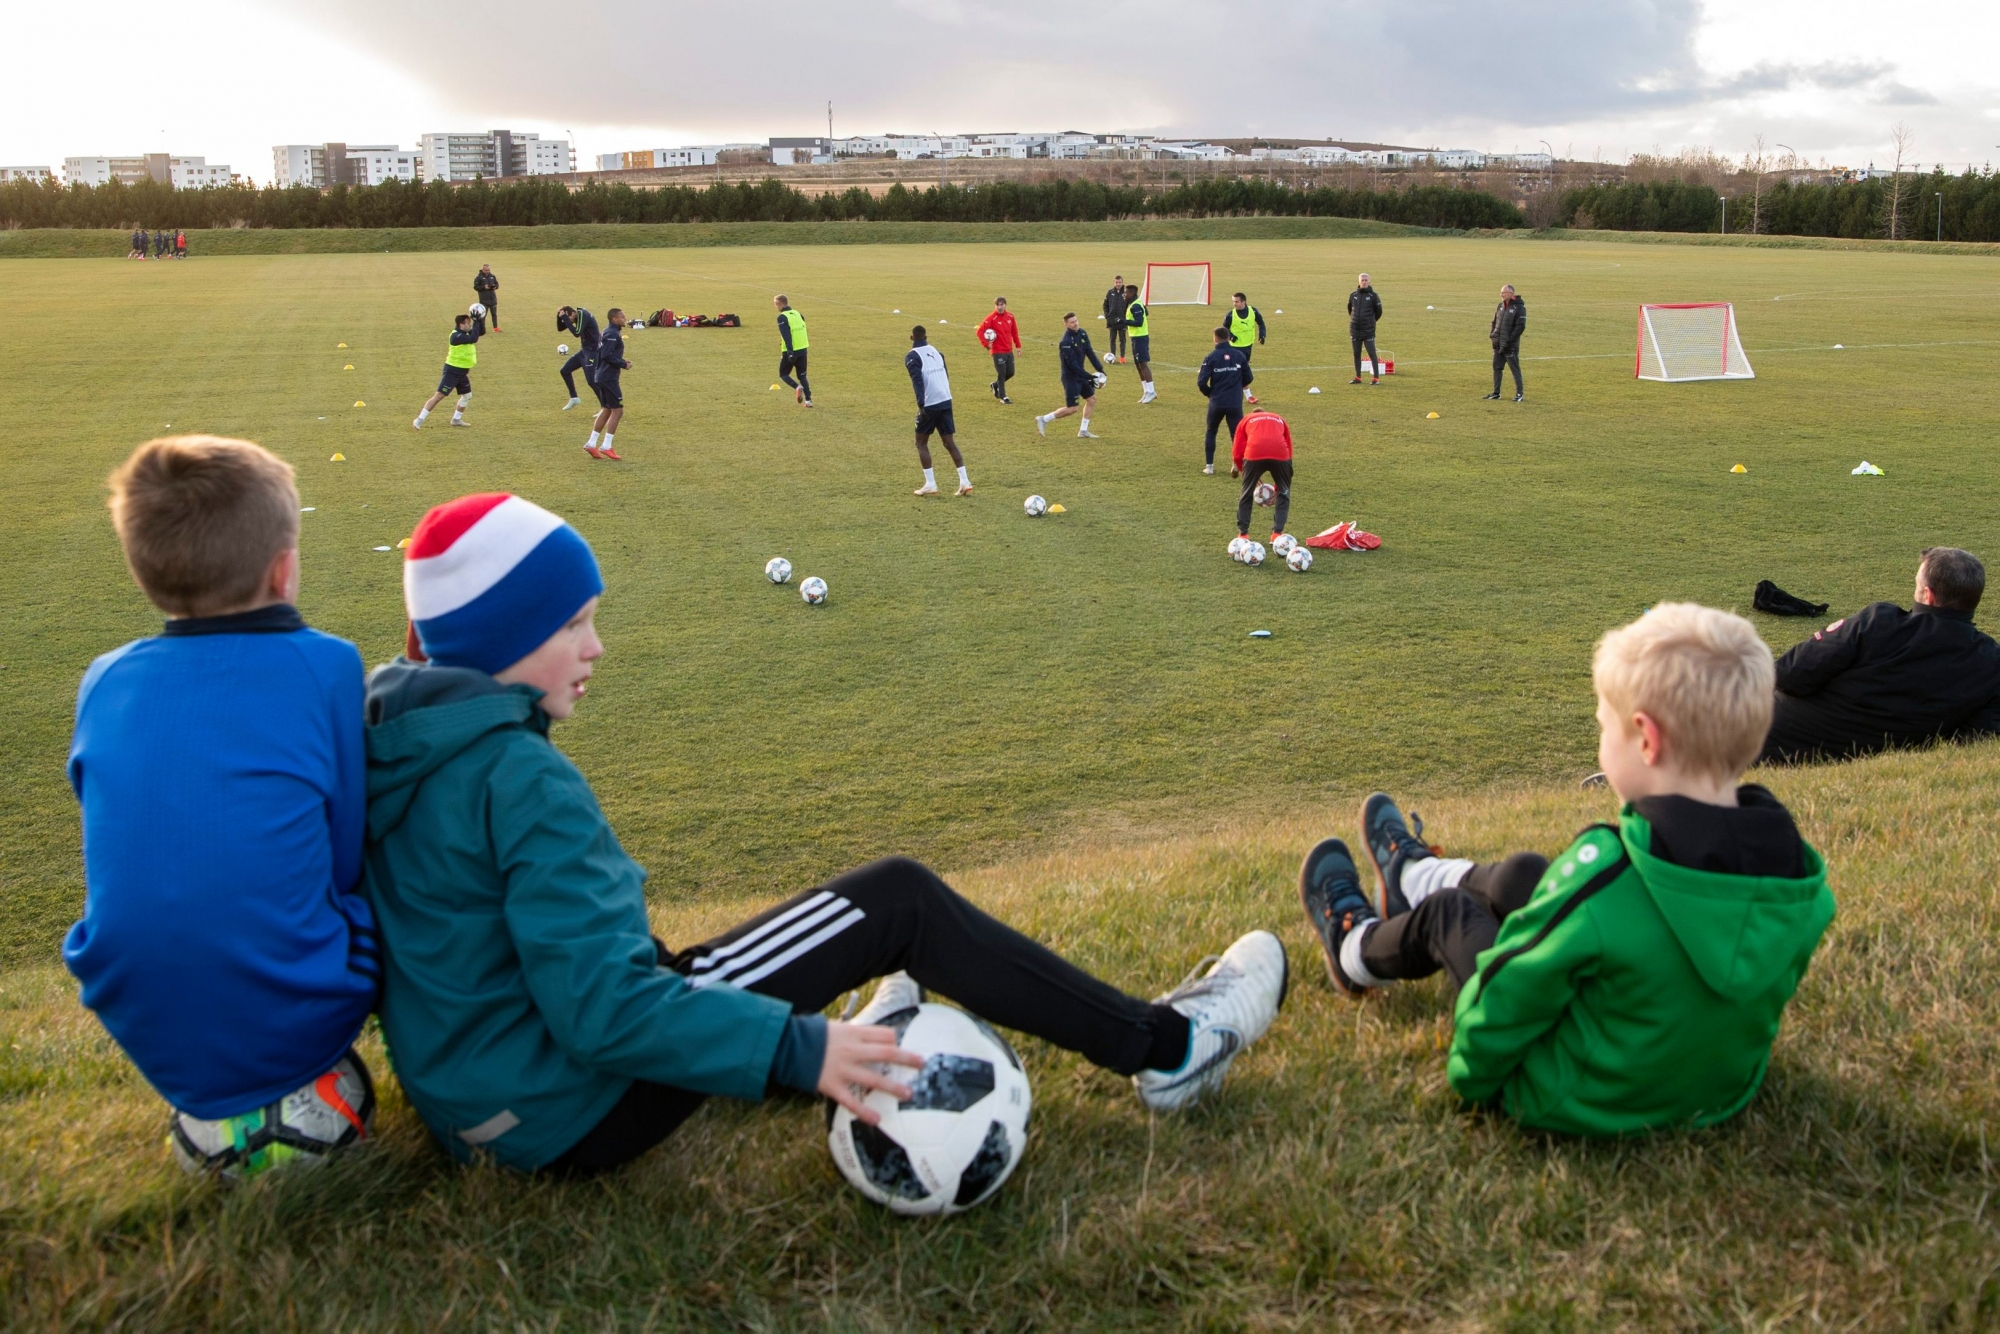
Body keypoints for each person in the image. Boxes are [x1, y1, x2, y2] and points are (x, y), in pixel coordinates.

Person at [362, 490, 1290, 1174]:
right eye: (573, 625)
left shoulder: (393, 737)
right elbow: (605, 1013)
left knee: (720, 961)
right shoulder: (522, 779)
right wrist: (806, 1052)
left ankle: (862, 1022)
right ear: (500, 641)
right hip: (570, 1108)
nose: (596, 647)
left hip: (473, 1104)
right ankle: (1168, 1050)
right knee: (897, 901)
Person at [1297, 603, 1835, 1136]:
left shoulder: (1605, 873)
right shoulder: (1797, 877)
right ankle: (1408, 877)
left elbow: (1508, 997)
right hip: (1717, 1092)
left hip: (1576, 1098)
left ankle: (1354, 951)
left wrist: (1473, 1078)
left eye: (1606, 727)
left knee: (1449, 915)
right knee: (1525, 876)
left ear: (1646, 738)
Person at [64, 436, 378, 1174]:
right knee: (396, 889)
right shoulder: (325, 664)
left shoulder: (103, 678)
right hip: (308, 1004)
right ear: (283, 566)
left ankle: (220, 1087)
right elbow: (345, 850)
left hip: (128, 999)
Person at [1760, 547, 2000, 763]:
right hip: (1864, 757)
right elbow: (1975, 737)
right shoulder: (1991, 663)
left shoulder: (1880, 621)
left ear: (1929, 595)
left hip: (1770, 740)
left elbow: (1791, 674)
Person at [905, 326, 971, 497]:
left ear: (911, 337)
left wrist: (921, 404)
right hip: (946, 399)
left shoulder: (912, 357)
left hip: (930, 403)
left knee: (921, 443)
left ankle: (930, 484)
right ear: (926, 336)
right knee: (949, 442)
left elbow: (917, 381)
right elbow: (945, 375)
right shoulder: (937, 352)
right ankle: (964, 481)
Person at [1034, 312, 1107, 439]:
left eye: (1076, 320)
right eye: (1072, 322)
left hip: (1081, 375)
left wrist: (1100, 369)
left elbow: (1089, 352)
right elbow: (1073, 366)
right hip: (1071, 378)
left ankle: (1083, 431)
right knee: (1072, 409)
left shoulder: (1082, 333)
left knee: (1092, 399)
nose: (1076, 323)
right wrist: (1089, 377)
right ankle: (1044, 419)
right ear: (1066, 325)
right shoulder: (1066, 342)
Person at [1230, 407, 1293, 545]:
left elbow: (1237, 451)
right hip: (1281, 454)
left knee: (1246, 493)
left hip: (1254, 453)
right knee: (1284, 493)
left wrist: (1242, 470)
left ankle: (1243, 535)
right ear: (1265, 413)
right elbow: (1288, 447)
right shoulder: (1279, 418)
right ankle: (1277, 534)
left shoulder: (1246, 419)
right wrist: (1279, 487)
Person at [1196, 326, 1252, 476]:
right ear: (1228, 337)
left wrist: (1210, 394)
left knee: (1211, 431)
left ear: (1215, 339)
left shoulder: (1211, 357)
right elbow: (1249, 377)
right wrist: (1237, 389)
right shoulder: (1239, 355)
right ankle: (1236, 463)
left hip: (1217, 402)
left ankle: (1209, 466)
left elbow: (1201, 382)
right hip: (1234, 403)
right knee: (1236, 434)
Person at [413, 313, 480, 430]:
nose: (470, 325)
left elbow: (480, 332)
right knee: (439, 396)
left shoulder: (466, 332)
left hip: (462, 372)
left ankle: (456, 419)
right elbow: (474, 338)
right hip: (452, 371)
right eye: (468, 323)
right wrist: (477, 322)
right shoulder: (456, 336)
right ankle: (419, 420)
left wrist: (479, 320)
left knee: (467, 396)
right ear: (461, 325)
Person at [584, 309, 631, 460]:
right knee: (618, 411)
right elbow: (606, 355)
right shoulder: (612, 334)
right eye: (622, 317)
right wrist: (623, 364)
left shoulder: (607, 332)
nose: (625, 319)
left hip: (601, 376)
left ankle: (591, 443)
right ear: (614, 319)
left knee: (607, 409)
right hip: (608, 377)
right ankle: (606, 446)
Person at [974, 296, 1022, 403]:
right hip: (997, 351)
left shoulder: (1010, 316)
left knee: (1011, 372)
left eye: (1002, 305)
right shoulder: (991, 318)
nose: (1000, 307)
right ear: (995, 306)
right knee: (1002, 373)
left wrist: (1018, 346)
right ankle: (1003, 396)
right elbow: (980, 331)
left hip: (1008, 350)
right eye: (998, 305)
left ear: (1005, 305)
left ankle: (995, 385)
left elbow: (1014, 332)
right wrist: (986, 344)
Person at [556, 305, 602, 410]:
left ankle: (605, 407)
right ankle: (574, 398)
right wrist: (559, 316)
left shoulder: (582, 314)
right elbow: (560, 328)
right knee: (565, 371)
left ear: (572, 313)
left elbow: (577, 333)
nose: (569, 321)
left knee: (592, 381)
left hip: (592, 352)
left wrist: (565, 318)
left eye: (569, 318)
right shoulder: (576, 315)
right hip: (584, 351)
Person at [1485, 284, 1526, 401]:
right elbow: (1494, 322)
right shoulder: (1500, 306)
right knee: (1497, 368)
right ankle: (1496, 393)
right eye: (1501, 293)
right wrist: (1492, 335)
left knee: (1515, 369)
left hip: (1510, 346)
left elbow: (1520, 327)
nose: (1501, 295)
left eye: (1504, 293)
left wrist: (1509, 341)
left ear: (1511, 294)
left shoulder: (1519, 308)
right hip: (1497, 344)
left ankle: (1519, 394)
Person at [1224, 292, 1267, 404]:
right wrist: (1232, 336)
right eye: (1233, 301)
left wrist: (1262, 334)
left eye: (1236, 301)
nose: (1234, 304)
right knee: (1239, 371)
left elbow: (1261, 323)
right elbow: (1224, 329)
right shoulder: (1230, 315)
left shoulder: (1253, 311)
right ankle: (1248, 396)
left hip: (1248, 346)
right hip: (1234, 348)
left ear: (1243, 302)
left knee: (1239, 371)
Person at [774, 294, 813, 407]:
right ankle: (808, 401)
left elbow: (786, 336)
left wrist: (790, 352)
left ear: (780, 304)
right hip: (803, 349)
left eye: (776, 304)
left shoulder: (782, 317)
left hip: (791, 351)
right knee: (802, 376)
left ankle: (797, 387)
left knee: (783, 374)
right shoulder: (798, 314)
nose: (775, 307)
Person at [1347, 274, 1383, 386]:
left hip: (1368, 330)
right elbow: (1350, 309)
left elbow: (1379, 312)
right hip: (1355, 329)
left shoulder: (1373, 296)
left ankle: (1376, 378)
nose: (1364, 282)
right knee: (1356, 354)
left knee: (1372, 354)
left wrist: (1370, 321)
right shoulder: (1353, 295)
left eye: (1366, 280)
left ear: (1369, 281)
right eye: (1362, 280)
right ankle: (1358, 377)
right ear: (1358, 282)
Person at [1125, 284, 1156, 403]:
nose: (1125, 295)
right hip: (1135, 337)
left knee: (1143, 364)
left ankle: (1152, 391)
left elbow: (1139, 322)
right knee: (1138, 365)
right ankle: (1146, 391)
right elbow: (1146, 313)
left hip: (1140, 338)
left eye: (1126, 293)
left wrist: (1123, 321)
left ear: (1132, 293)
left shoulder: (1135, 305)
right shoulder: (1135, 304)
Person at [1102, 274, 1129, 363]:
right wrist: (1107, 315)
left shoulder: (1126, 293)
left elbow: (1130, 306)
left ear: (1122, 282)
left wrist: (1126, 317)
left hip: (1122, 320)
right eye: (1116, 282)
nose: (1118, 284)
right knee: (1112, 339)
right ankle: (1112, 356)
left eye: (1120, 282)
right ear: (1114, 282)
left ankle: (1122, 357)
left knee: (1122, 339)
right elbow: (1105, 305)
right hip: (1112, 320)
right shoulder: (1110, 293)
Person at [473, 264, 500, 333]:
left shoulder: (492, 276)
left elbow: (497, 284)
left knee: (494, 314)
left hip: (492, 298)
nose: (487, 271)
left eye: (488, 270)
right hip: (484, 299)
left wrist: (495, 287)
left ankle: (495, 328)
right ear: (482, 269)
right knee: (483, 315)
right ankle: (482, 328)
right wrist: (484, 287)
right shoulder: (479, 278)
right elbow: (476, 287)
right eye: (486, 270)